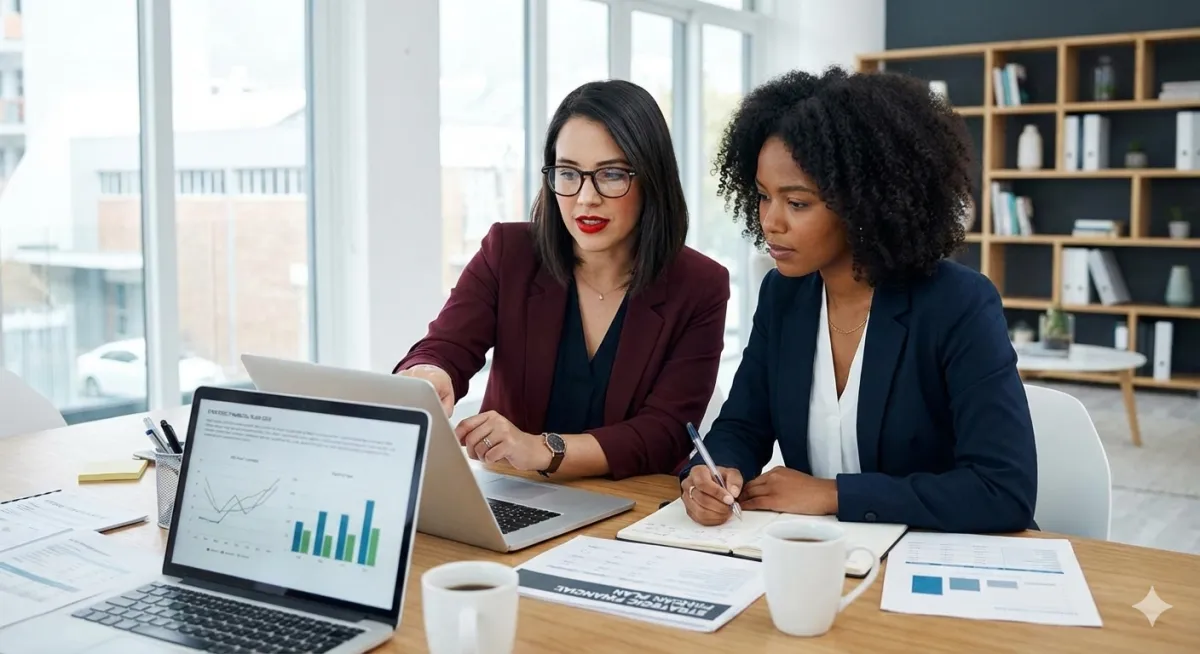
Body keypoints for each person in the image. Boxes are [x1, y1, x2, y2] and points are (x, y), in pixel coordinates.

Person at [680, 66, 1037, 534]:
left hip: (935, 560)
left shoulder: (958, 304)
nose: (771, 221)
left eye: (798, 203)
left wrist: (833, 494)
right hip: (826, 553)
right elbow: (742, 425)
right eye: (764, 197)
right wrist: (710, 472)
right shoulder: (783, 294)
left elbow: (1002, 490)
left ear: (865, 203)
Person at [395, 79, 730, 481]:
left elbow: (662, 433)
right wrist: (431, 373)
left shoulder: (700, 285)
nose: (586, 198)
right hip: (515, 493)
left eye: (611, 175)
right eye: (568, 173)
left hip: (632, 505)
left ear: (652, 180)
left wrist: (541, 448)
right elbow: (446, 347)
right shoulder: (509, 252)